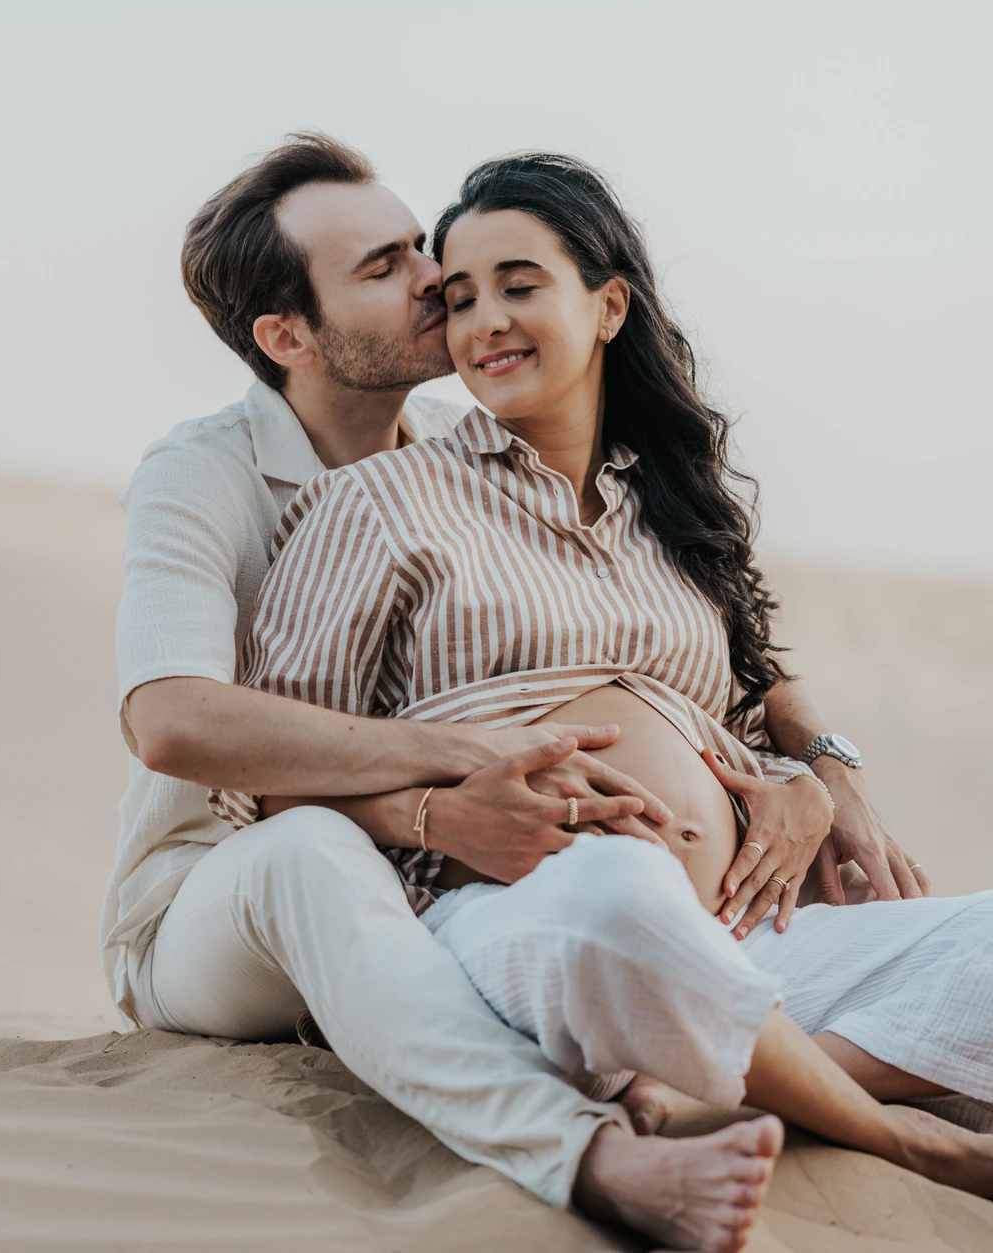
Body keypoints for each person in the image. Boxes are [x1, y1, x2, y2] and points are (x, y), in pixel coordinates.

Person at [211, 151, 993, 1250]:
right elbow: (279, 776)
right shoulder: (378, 504)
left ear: (609, 307)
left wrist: (814, 783)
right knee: (617, 890)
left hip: (732, 939)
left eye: (521, 285)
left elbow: (764, 708)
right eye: (458, 298)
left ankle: (747, 1094)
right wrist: (442, 814)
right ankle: (928, 1127)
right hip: (521, 921)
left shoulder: (671, 520)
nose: (482, 322)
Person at [108, 133, 932, 1252]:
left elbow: (709, 635)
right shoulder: (199, 474)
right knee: (315, 857)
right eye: (383, 268)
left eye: (418, 248)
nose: (434, 283)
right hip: (219, 892)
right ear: (285, 335)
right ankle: (588, 1155)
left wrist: (822, 766)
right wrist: (449, 763)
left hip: (423, 884)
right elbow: (170, 720)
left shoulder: (466, 449)